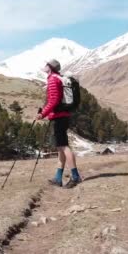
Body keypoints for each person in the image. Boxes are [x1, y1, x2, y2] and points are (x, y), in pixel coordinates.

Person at [37, 59, 82, 188]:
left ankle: (75, 176)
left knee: (63, 146)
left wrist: (42, 114)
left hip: (59, 117)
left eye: (46, 64)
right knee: (60, 147)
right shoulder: (59, 78)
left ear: (50, 67)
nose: (44, 66)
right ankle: (58, 178)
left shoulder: (53, 79)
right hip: (63, 115)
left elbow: (54, 100)